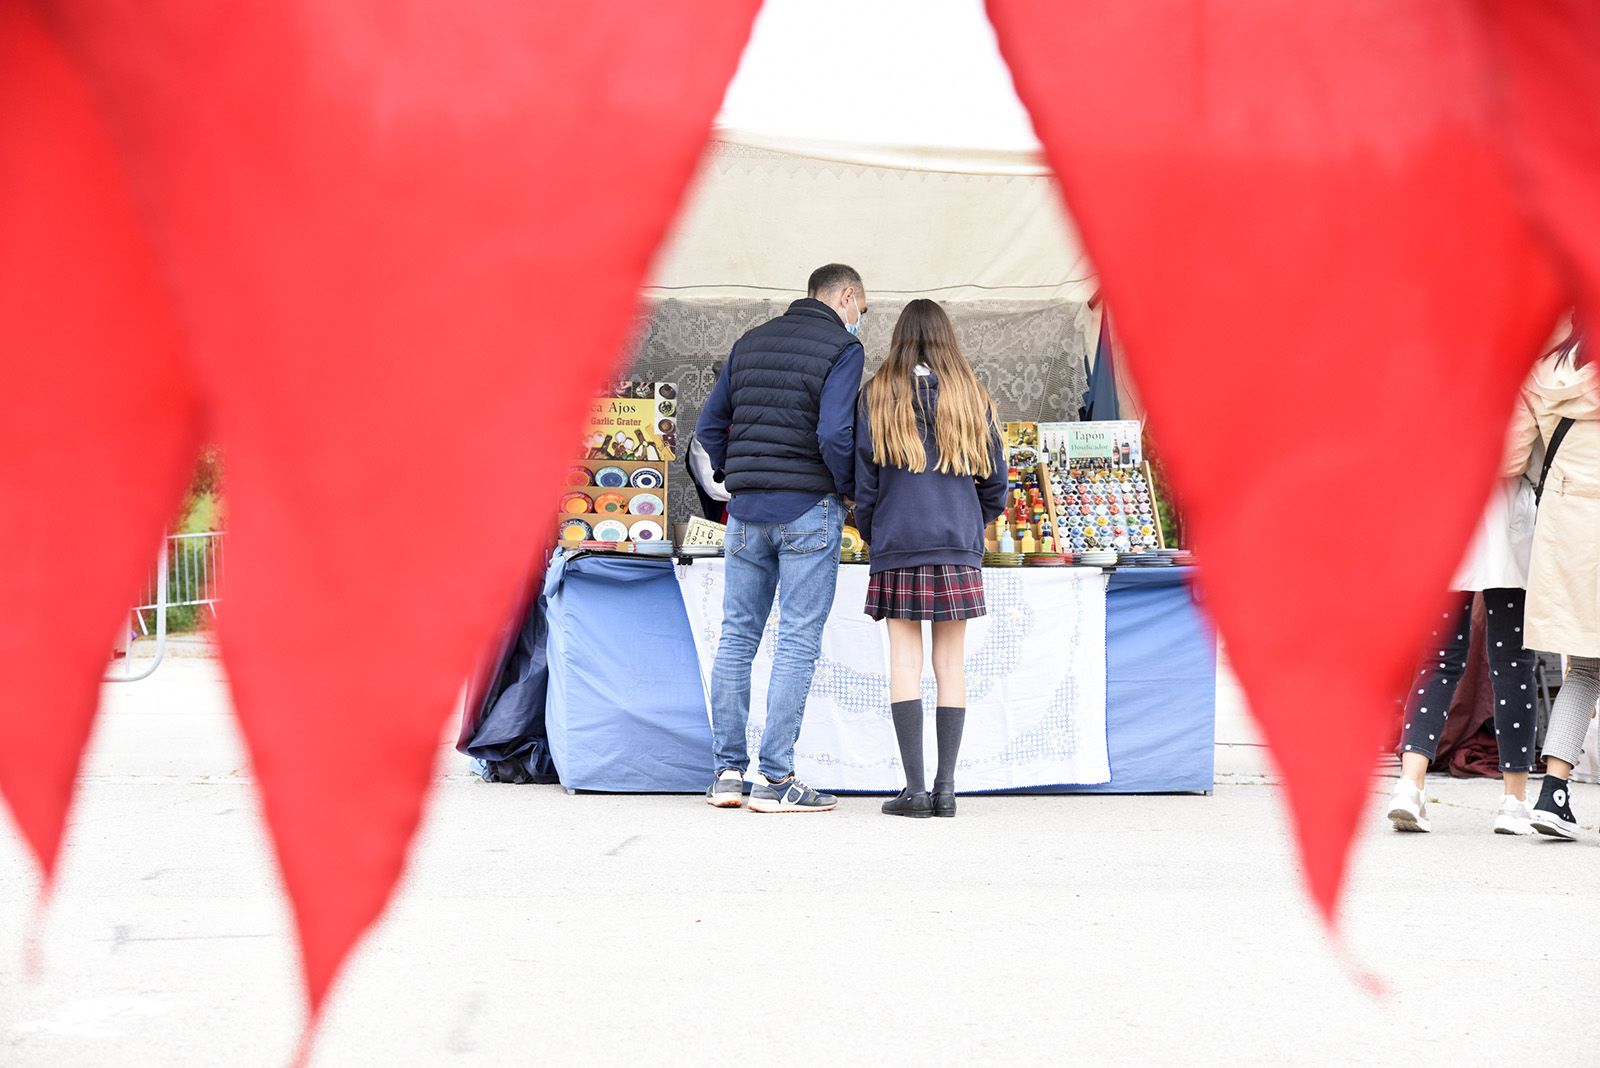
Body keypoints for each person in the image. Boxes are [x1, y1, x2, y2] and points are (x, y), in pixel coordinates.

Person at [695, 264, 867, 812]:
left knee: (738, 636)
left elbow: (707, 427)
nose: (860, 321)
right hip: (807, 508)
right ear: (846, 296)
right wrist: (847, 491)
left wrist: (736, 474)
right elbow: (834, 431)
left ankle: (726, 774)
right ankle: (775, 779)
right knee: (796, 640)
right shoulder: (842, 347)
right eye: (861, 310)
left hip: (746, 513)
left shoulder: (750, 341)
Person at [853, 299, 1007, 818]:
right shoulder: (973, 396)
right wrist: (967, 522)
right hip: (957, 545)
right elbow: (996, 487)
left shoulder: (877, 395)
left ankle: (914, 791)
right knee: (951, 665)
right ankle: (946, 790)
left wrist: (873, 531)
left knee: (904, 663)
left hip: (897, 541)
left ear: (899, 337)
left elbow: (866, 485)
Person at [1385, 379, 1545, 834]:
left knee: (1439, 657)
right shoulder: (1522, 371)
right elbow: (1515, 455)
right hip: (1504, 523)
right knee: (1513, 662)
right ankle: (1514, 803)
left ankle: (1409, 786)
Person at [1504, 328, 1599, 839]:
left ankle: (1553, 794)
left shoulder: (1545, 370)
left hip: (1569, 532)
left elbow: (1511, 458)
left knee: (1586, 667)